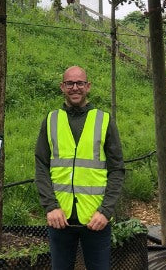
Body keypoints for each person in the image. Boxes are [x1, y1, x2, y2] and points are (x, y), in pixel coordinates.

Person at [34, 66, 125, 270]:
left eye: (80, 83)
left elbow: (117, 169)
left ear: (88, 86)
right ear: (62, 87)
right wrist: (50, 206)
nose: (75, 88)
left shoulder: (104, 120)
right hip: (60, 219)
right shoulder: (51, 120)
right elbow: (41, 166)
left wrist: (106, 211)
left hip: (96, 219)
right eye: (70, 83)